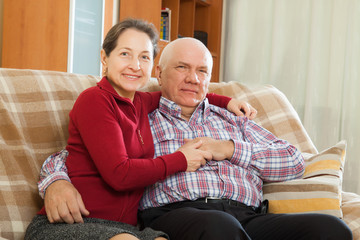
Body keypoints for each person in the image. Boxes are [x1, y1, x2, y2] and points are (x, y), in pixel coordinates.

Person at [38, 36, 353, 240]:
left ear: (209, 78)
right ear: (158, 74)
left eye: (202, 71)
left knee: (330, 230)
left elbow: (294, 162)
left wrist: (228, 149)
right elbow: (78, 154)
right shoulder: (139, 113)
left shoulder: (235, 118)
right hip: (177, 216)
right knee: (218, 227)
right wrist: (55, 181)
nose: (193, 78)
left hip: (250, 216)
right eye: (182, 67)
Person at [25, 19, 256, 240]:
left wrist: (226, 102)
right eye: (125, 54)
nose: (135, 66)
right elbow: (120, 174)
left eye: (144, 57)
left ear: (153, 67)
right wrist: (181, 159)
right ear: (105, 58)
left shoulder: (141, 102)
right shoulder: (94, 100)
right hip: (76, 224)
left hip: (125, 227)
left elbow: (184, 91)